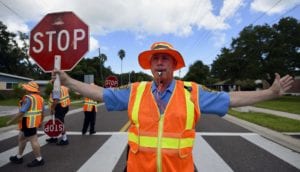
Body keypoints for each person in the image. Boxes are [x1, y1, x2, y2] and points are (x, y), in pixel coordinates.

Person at [52, 42, 294, 172]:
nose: (159, 63)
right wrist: (68, 81)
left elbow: (232, 99)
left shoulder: (192, 92)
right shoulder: (136, 90)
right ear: (150, 67)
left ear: (174, 65)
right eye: (155, 59)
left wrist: (269, 93)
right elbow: (101, 93)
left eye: (164, 58)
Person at [7, 81, 45, 167]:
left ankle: (39, 159)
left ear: (28, 89)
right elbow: (43, 112)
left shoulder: (28, 98)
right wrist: (41, 122)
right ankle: (19, 157)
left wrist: (11, 121)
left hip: (28, 123)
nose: (25, 89)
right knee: (21, 138)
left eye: (26, 88)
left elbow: (22, 112)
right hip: (32, 122)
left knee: (33, 141)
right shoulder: (40, 98)